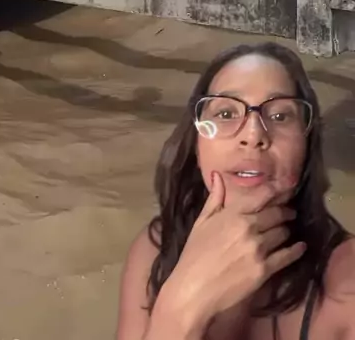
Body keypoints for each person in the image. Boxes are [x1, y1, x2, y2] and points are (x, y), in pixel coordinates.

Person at [116, 42, 355, 340]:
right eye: (226, 113)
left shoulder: (347, 281)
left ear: (307, 147)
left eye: (280, 116)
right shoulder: (155, 249)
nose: (253, 135)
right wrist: (179, 308)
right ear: (196, 146)